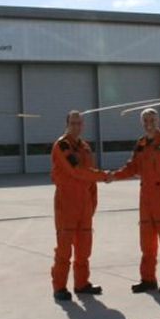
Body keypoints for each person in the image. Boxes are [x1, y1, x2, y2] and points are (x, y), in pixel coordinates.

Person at [110, 108, 160, 294]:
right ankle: (148, 279)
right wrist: (113, 176)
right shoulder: (141, 144)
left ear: (158, 121)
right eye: (145, 120)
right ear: (142, 122)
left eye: (152, 119)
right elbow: (132, 166)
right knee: (146, 242)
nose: (149, 123)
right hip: (146, 199)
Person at [50, 110, 108, 302]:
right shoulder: (62, 145)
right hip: (66, 203)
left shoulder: (84, 147)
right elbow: (77, 171)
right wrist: (104, 175)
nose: (76, 126)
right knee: (64, 247)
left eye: (79, 123)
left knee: (84, 247)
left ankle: (82, 283)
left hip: (84, 204)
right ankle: (59, 286)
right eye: (73, 123)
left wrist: (92, 203)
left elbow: (89, 178)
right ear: (67, 124)